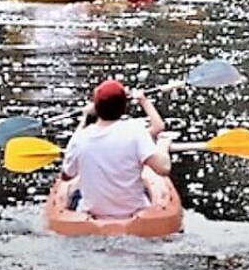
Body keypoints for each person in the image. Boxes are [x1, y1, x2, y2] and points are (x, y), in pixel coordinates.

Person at [60, 79, 172, 219]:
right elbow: (164, 168)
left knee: (73, 189)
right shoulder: (135, 132)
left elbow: (66, 176)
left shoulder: (79, 138)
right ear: (124, 107)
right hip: (134, 215)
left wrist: (84, 118)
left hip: (92, 218)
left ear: (96, 107)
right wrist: (163, 146)